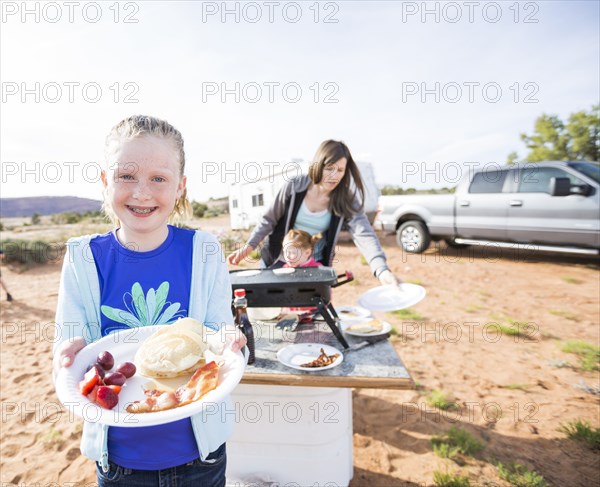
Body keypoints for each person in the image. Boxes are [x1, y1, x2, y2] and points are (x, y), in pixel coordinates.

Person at [52, 115, 246, 487]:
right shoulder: (82, 258)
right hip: (121, 463)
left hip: (201, 457)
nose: (142, 192)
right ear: (106, 181)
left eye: (158, 178)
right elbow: (67, 346)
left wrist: (230, 341)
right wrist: (67, 355)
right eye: (127, 176)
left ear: (180, 187)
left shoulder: (204, 251)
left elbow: (219, 331)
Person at [228, 140, 402, 285]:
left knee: (308, 311)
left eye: (340, 170)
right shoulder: (295, 186)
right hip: (278, 258)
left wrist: (381, 270)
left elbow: (364, 233)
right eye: (329, 168)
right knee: (273, 311)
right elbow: (269, 220)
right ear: (319, 165)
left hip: (311, 262)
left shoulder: (345, 198)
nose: (334, 175)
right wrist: (249, 246)